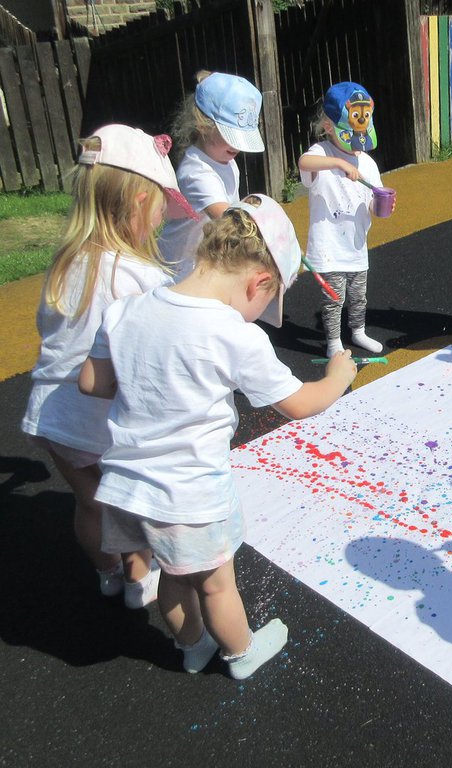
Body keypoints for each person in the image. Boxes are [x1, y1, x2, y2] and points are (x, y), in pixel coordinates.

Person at [79, 194, 357, 678]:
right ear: (260, 282)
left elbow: (92, 383)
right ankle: (241, 653)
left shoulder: (127, 310)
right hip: (190, 492)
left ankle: (192, 646)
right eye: (267, 302)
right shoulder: (232, 334)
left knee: (172, 573)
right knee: (214, 584)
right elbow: (298, 404)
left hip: (127, 485)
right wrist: (338, 377)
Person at [21, 123, 196, 608]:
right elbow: (159, 347)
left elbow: (48, 329)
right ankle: (139, 581)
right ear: (139, 202)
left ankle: (107, 573)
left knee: (89, 503)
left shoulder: (65, 263)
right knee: (126, 507)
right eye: (160, 209)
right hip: (102, 418)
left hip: (55, 414)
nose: (161, 221)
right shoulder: (141, 277)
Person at [299, 81, 391, 358]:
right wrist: (339, 163)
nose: (356, 143)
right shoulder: (322, 152)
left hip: (356, 245)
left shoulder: (368, 163)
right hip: (329, 246)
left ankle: (358, 331)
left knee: (358, 295)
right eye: (350, 136)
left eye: (361, 136)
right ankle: (333, 341)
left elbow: (373, 200)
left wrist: (381, 205)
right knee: (334, 298)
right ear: (328, 127)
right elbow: (304, 163)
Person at [159, 71, 264, 280]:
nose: (237, 146)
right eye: (231, 136)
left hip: (202, 262)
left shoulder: (226, 159)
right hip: (179, 269)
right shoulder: (197, 172)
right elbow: (230, 221)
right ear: (203, 126)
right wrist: (273, 235)